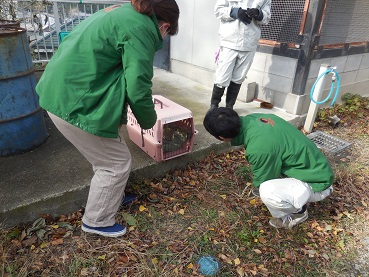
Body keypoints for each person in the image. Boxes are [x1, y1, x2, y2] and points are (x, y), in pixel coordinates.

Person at [36, 0, 180, 238]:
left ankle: (112, 197)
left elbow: (118, 74)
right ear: (164, 26)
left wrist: (121, 116)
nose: (163, 39)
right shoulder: (142, 27)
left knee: (106, 152)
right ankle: (97, 220)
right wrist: (148, 121)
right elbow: (137, 86)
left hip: (63, 90)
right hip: (74, 101)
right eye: (166, 34)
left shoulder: (125, 12)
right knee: (116, 163)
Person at [203, 108, 334, 229]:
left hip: (317, 182)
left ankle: (298, 213)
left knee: (267, 191)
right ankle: (295, 194)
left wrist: (259, 186)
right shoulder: (258, 118)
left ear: (222, 137)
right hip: (316, 167)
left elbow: (265, 178)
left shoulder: (259, 148)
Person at [211, 0, 271, 110]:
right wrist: (235, 12)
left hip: (249, 42)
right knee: (222, 76)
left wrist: (258, 13)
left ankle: (229, 108)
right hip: (229, 40)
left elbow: (267, 17)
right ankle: (214, 106)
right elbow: (218, 10)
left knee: (239, 77)